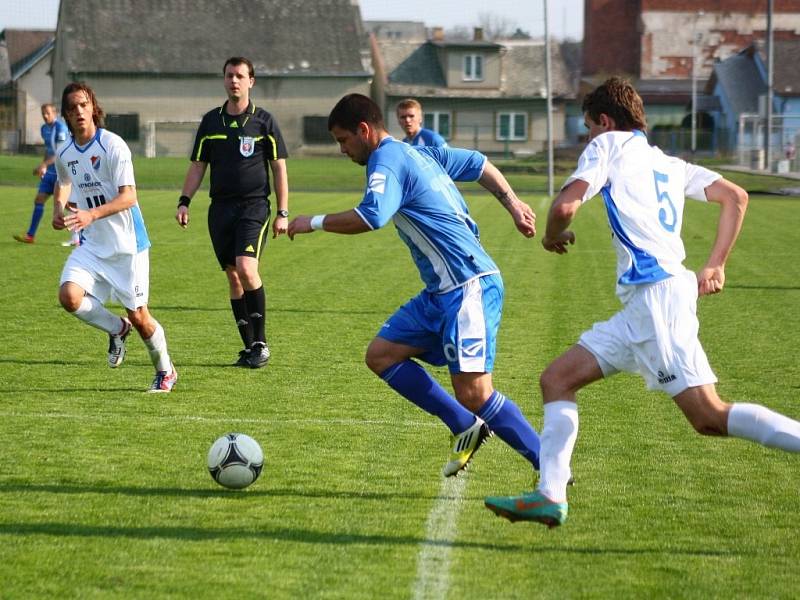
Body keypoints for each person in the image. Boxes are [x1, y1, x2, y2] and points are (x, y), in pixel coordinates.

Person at [484, 77, 800, 528]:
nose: (589, 137)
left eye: (590, 128)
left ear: (606, 122)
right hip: (645, 304)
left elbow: (564, 207)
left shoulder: (608, 145)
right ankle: (549, 495)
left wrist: (553, 236)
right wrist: (716, 265)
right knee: (557, 379)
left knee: (708, 416)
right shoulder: (668, 163)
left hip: (656, 302)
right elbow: (736, 197)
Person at [288, 93, 542, 478]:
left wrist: (313, 222)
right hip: (440, 292)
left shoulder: (387, 158)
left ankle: (550, 466)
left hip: (467, 285)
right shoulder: (420, 153)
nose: (342, 150)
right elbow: (478, 164)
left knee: (476, 392)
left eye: (343, 140)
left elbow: (372, 215)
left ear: (364, 130)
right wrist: (512, 203)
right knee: (382, 355)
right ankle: (464, 425)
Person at [52, 82, 177, 393]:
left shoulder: (113, 146)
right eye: (72, 108)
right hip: (94, 244)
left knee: (140, 316)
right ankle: (116, 329)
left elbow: (129, 197)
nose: (79, 111)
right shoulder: (65, 152)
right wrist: (58, 208)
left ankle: (166, 371)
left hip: (127, 245)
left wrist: (90, 214)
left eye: (83, 105)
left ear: (93, 107)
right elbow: (64, 181)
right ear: (66, 115)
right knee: (69, 296)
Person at [176, 56, 289, 369]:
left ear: (251, 81)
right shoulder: (211, 121)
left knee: (246, 268)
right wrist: (184, 200)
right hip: (220, 209)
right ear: (223, 80)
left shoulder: (264, 121)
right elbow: (198, 165)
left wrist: (283, 211)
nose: (234, 81)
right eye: (229, 76)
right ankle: (250, 347)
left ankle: (262, 342)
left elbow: (279, 168)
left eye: (240, 76)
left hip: (254, 206)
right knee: (233, 276)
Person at [14, 103, 79, 247]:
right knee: (39, 200)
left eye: (48, 113)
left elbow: (60, 153)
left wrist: (43, 165)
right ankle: (30, 235)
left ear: (54, 113)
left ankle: (77, 238)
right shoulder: (44, 129)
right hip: (49, 173)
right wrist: (43, 167)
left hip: (61, 173)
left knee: (69, 205)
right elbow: (48, 150)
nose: (45, 115)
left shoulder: (61, 128)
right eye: (43, 113)